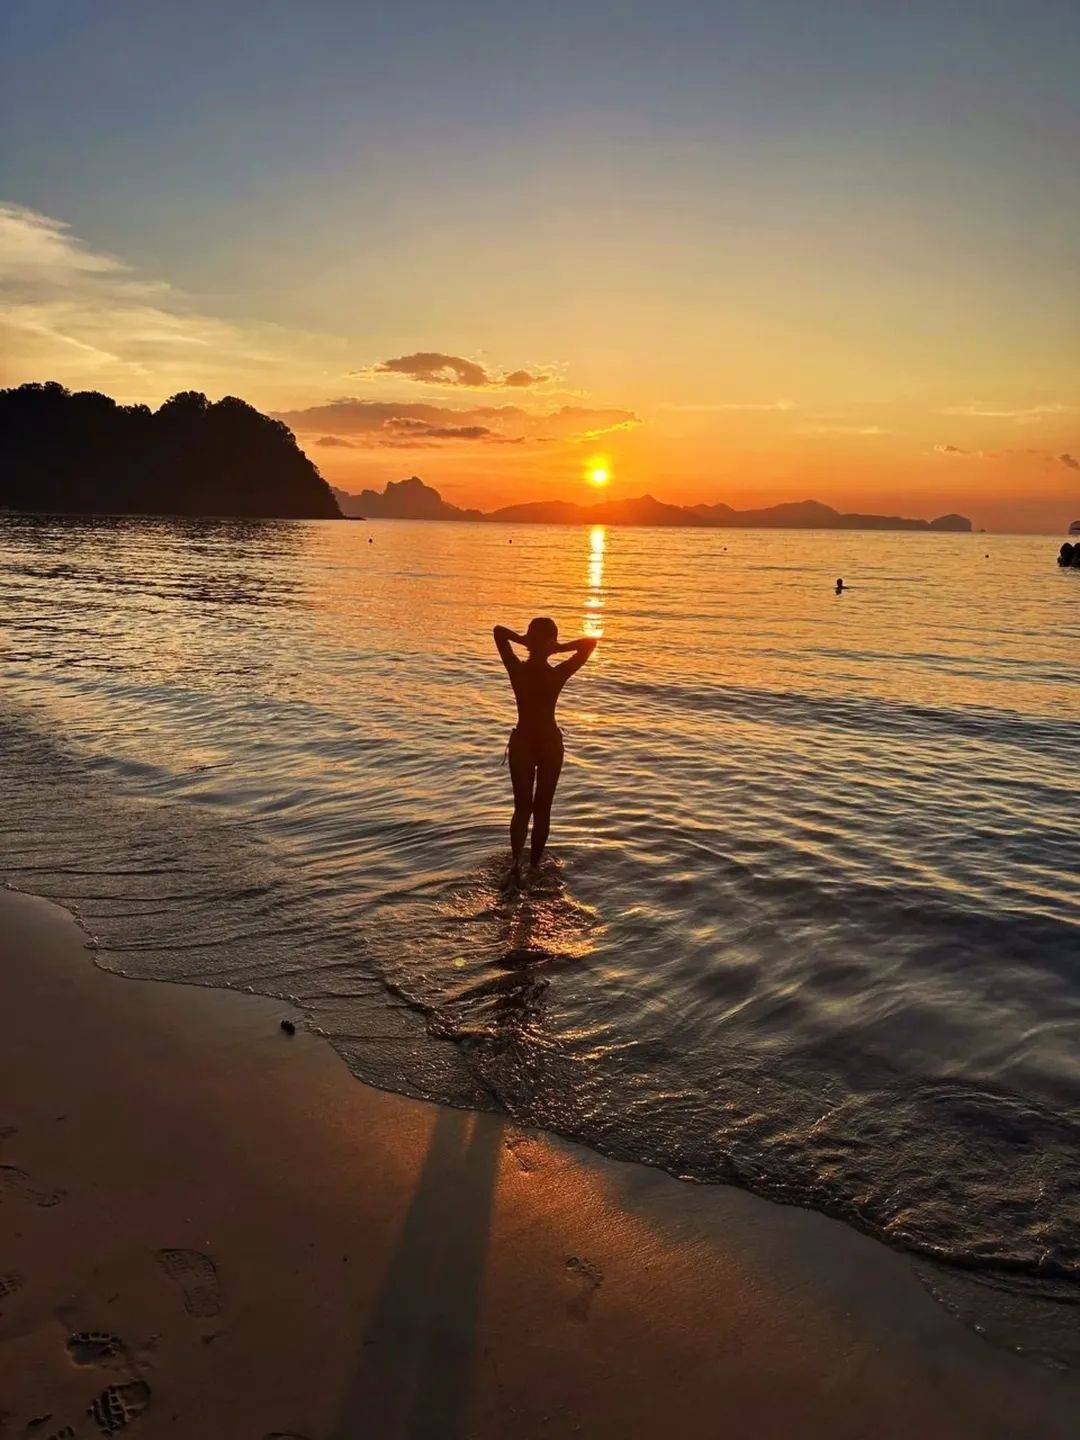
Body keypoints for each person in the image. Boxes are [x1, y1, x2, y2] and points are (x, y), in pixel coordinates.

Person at [493, 617, 597, 888]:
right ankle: (534, 867)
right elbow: (589, 643)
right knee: (543, 809)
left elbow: (499, 632)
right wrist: (557, 647)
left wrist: (526, 641)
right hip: (549, 744)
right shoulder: (557, 674)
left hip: (523, 742)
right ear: (552, 640)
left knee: (522, 808)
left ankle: (516, 865)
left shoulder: (517, 669)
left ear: (529, 640)